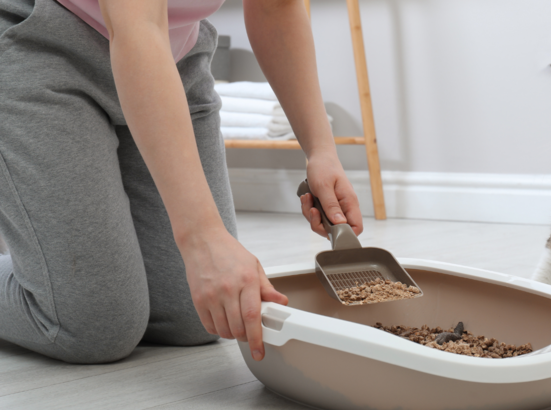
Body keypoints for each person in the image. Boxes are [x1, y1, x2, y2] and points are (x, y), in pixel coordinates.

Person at [0, 0, 362, 364]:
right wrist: (202, 238)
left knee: (198, 318)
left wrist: (320, 151)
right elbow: (136, 26)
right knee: (93, 326)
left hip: (175, 57)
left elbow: (276, 7)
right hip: (41, 44)